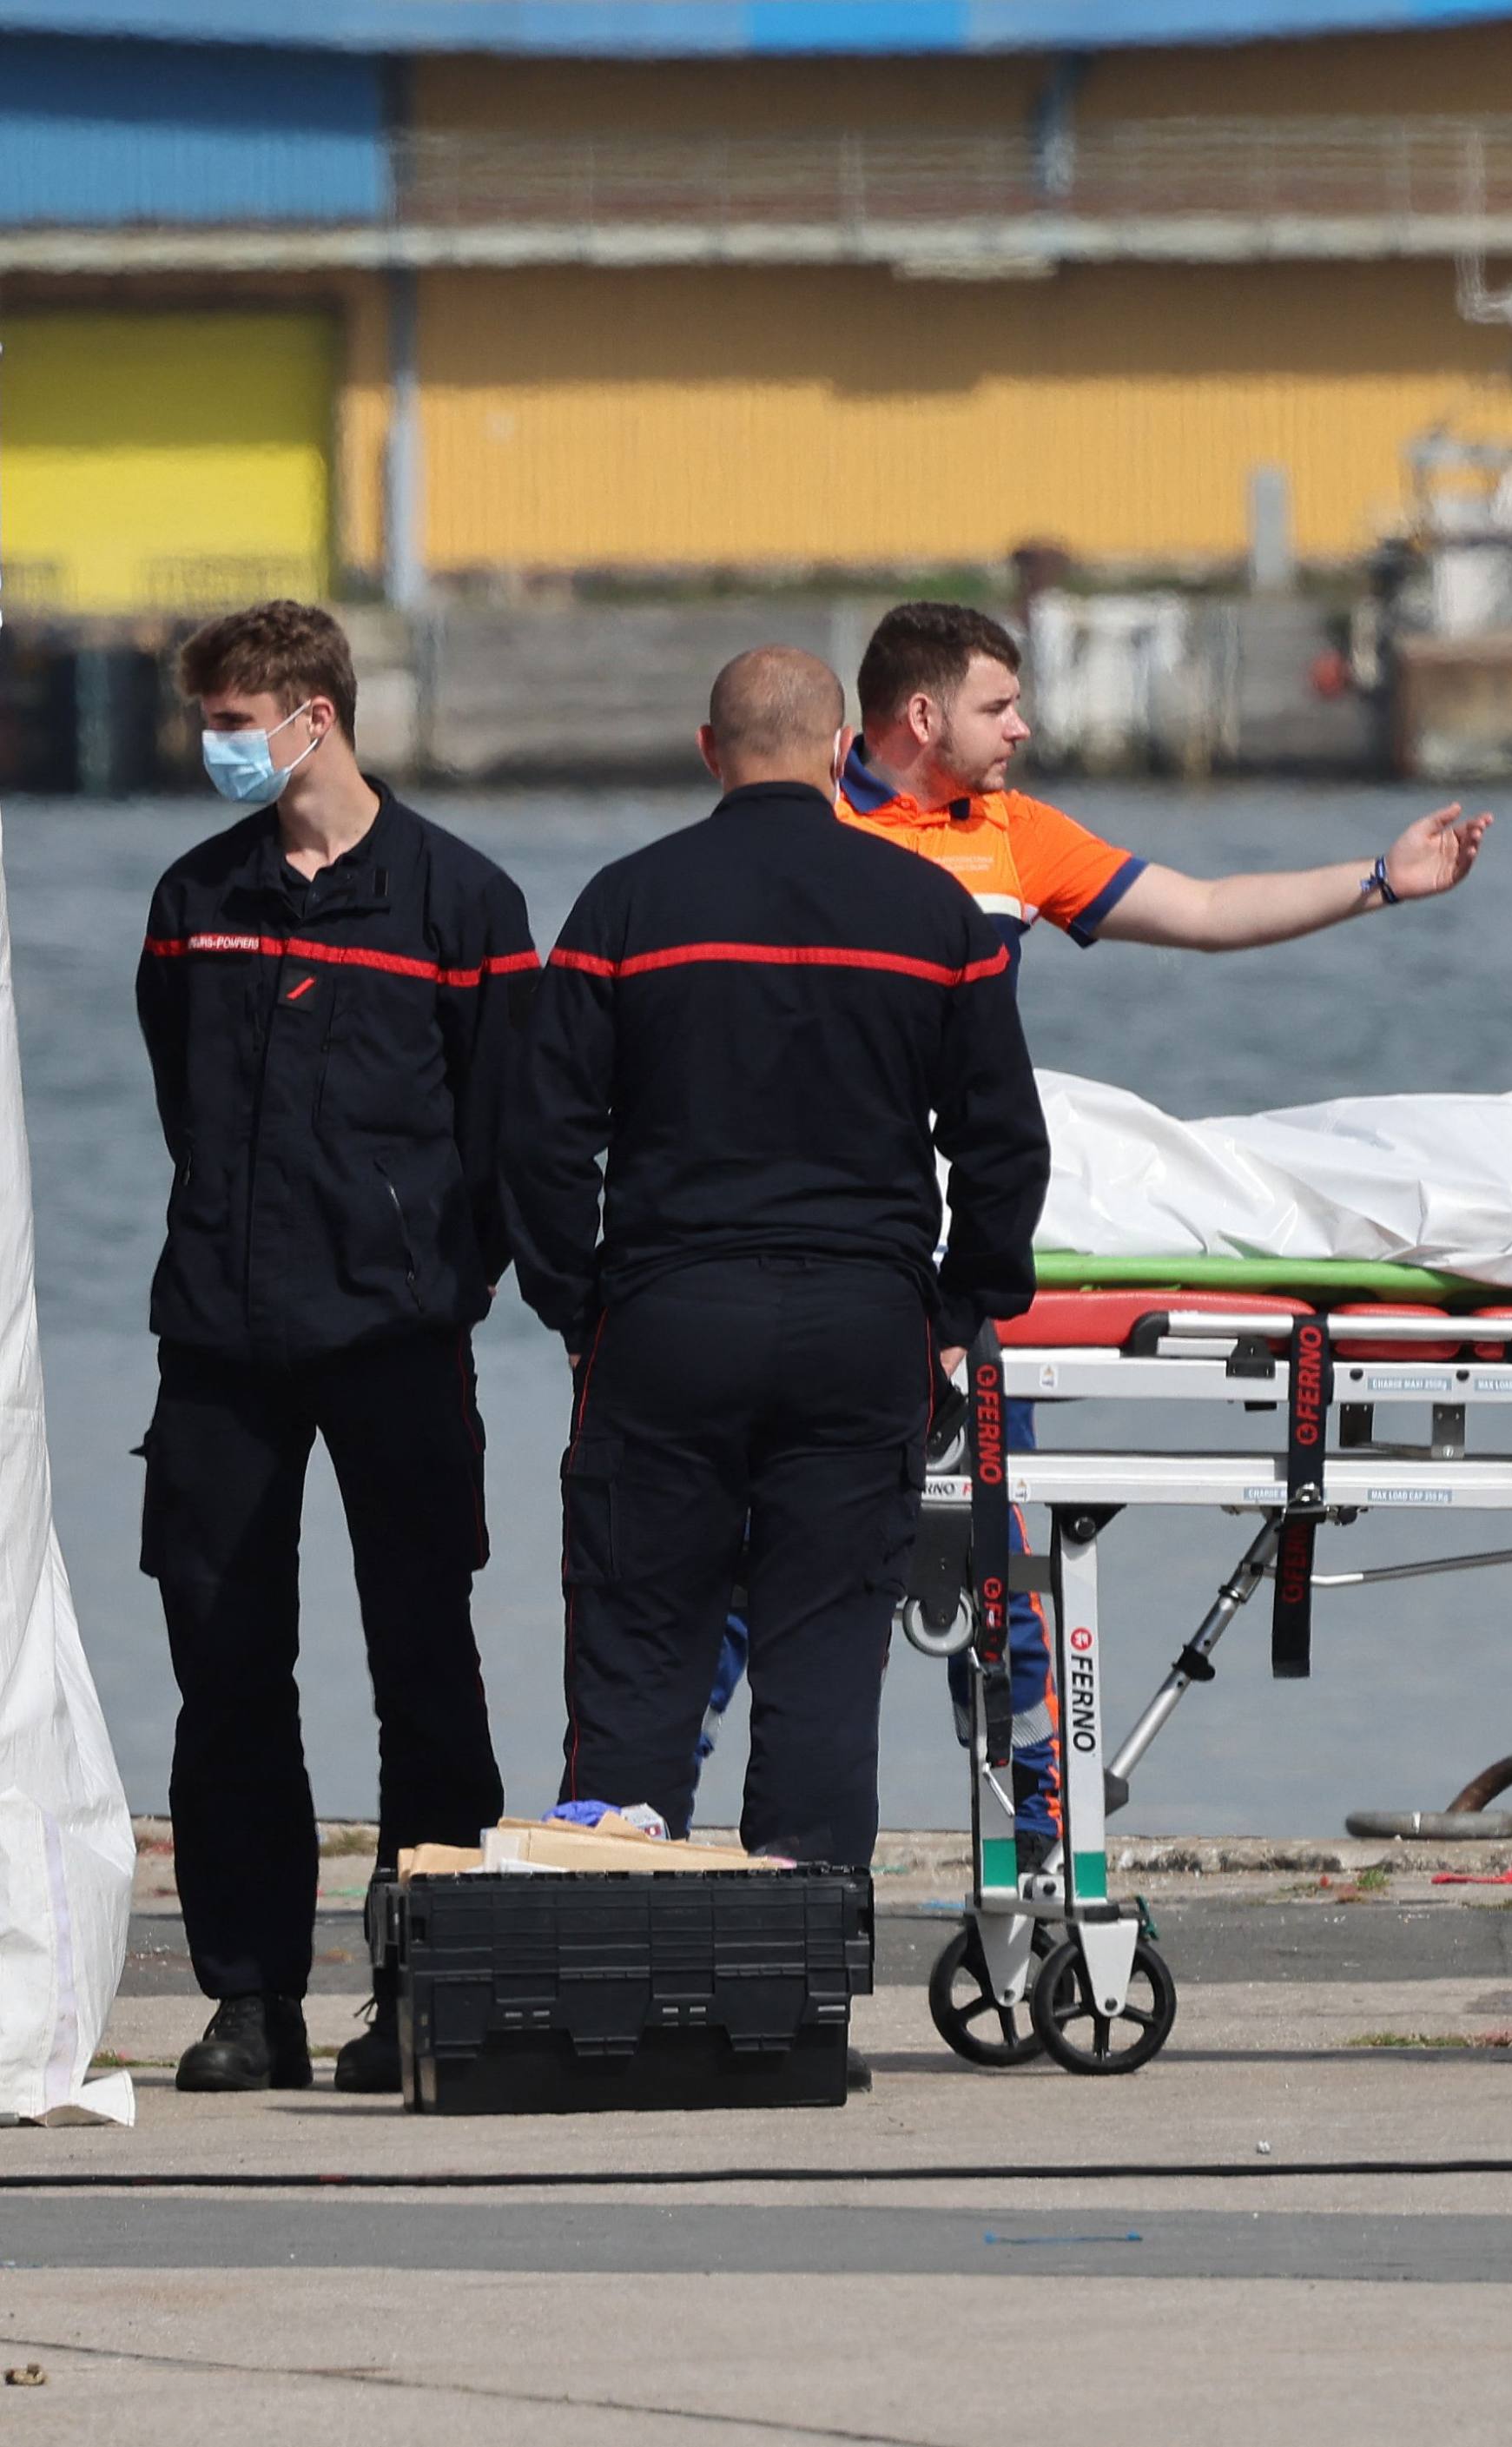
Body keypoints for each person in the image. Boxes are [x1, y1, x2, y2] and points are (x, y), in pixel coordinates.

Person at [824, 600, 1490, 1878]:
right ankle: (662, 1862)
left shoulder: (1012, 836)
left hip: (960, 1257)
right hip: (831, 1246)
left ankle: (1048, 1860)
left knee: (997, 1581)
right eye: (998, 708)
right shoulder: (812, 825)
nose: (1025, 728)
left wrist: (1379, 881)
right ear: (921, 718)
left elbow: (1200, 907)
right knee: (764, 1582)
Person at [503, 646, 1050, 1878]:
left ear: (710, 751)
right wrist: (963, 1305)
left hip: (667, 1314)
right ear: (836, 747)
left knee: (639, 1643)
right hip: (864, 1325)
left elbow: (540, 1141)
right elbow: (1005, 1146)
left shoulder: (624, 907)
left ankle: (622, 1954)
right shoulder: (933, 916)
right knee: (820, 1652)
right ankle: (800, 1971)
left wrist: (575, 1301)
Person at [136, 600, 532, 2094]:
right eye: (208, 721)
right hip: (222, 1343)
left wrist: (439, 1278)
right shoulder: (197, 896)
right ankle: (254, 1999)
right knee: (227, 1671)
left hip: (397, 1338)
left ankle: (424, 1991)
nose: (216, 746)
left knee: (424, 1665)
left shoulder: (460, 902)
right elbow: (181, 1087)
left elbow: (506, 1134)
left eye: (235, 719)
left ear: (316, 712)